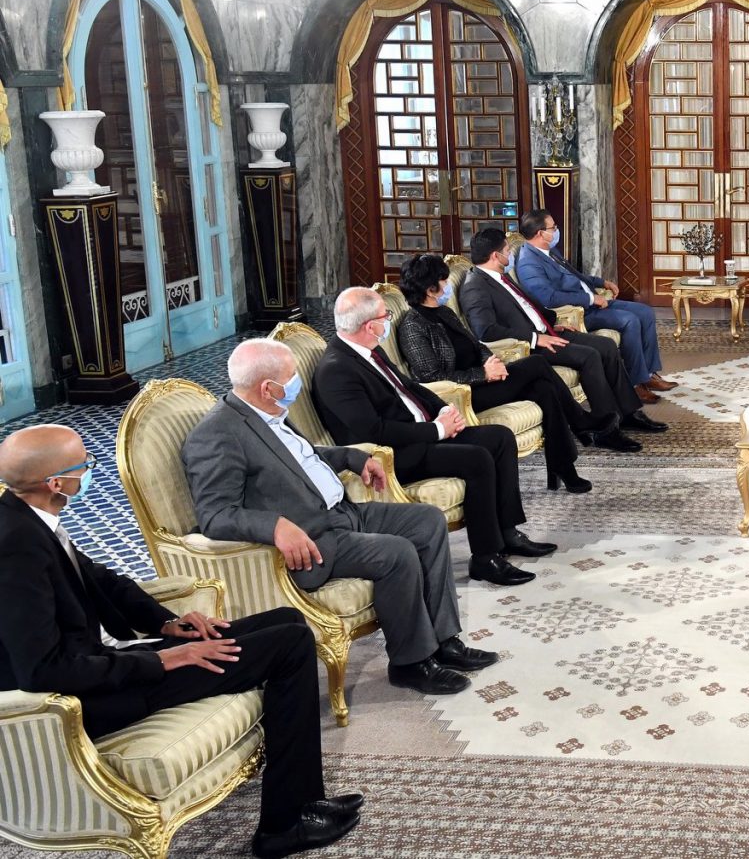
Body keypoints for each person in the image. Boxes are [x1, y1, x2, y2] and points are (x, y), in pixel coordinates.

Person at [0, 424, 363, 859]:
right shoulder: (15, 547)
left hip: (109, 660)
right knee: (288, 646)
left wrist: (169, 624)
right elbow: (44, 670)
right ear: (56, 484)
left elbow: (103, 581)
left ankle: (302, 798)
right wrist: (167, 660)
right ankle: (284, 826)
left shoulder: (30, 521)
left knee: (287, 620)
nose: (90, 470)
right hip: (92, 695)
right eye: (84, 464)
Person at [186, 339, 504, 692]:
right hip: (315, 539)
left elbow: (298, 458)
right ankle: (411, 663)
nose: (296, 384)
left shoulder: (267, 410)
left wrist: (352, 457)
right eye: (291, 378)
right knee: (397, 552)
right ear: (267, 388)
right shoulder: (217, 435)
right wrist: (275, 527)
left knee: (427, 521)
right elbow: (215, 514)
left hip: (342, 511)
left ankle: (445, 642)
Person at [313, 288, 554, 585]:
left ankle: (508, 533)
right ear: (369, 326)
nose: (388, 321)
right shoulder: (336, 370)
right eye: (385, 316)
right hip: (394, 455)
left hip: (421, 435)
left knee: (500, 438)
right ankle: (485, 558)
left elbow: (409, 387)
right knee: (478, 459)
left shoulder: (368, 349)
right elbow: (374, 431)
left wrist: (444, 410)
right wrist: (438, 430)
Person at [395, 253, 620, 492]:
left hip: (485, 379)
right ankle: (581, 422)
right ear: (431, 289)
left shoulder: (445, 313)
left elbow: (477, 345)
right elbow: (432, 377)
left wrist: (491, 361)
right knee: (536, 363)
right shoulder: (413, 326)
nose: (447, 284)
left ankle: (564, 466)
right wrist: (483, 374)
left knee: (544, 389)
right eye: (443, 280)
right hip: (463, 394)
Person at [459, 226, 662, 441]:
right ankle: (605, 429)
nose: (510, 254)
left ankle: (628, 413)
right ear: (495, 256)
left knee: (607, 346)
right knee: (590, 356)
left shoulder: (501, 276)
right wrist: (536, 337)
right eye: (507, 251)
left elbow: (527, 308)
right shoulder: (475, 286)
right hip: (528, 346)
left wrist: (552, 324)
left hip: (548, 332)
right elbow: (487, 331)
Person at [514, 209, 677, 404]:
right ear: (541, 233)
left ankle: (648, 375)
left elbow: (574, 275)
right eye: (553, 228)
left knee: (645, 312)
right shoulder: (528, 263)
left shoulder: (549, 250)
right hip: (579, 312)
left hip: (591, 301)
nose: (556, 230)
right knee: (630, 320)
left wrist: (601, 282)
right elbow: (548, 298)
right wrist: (590, 299)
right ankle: (635, 384)